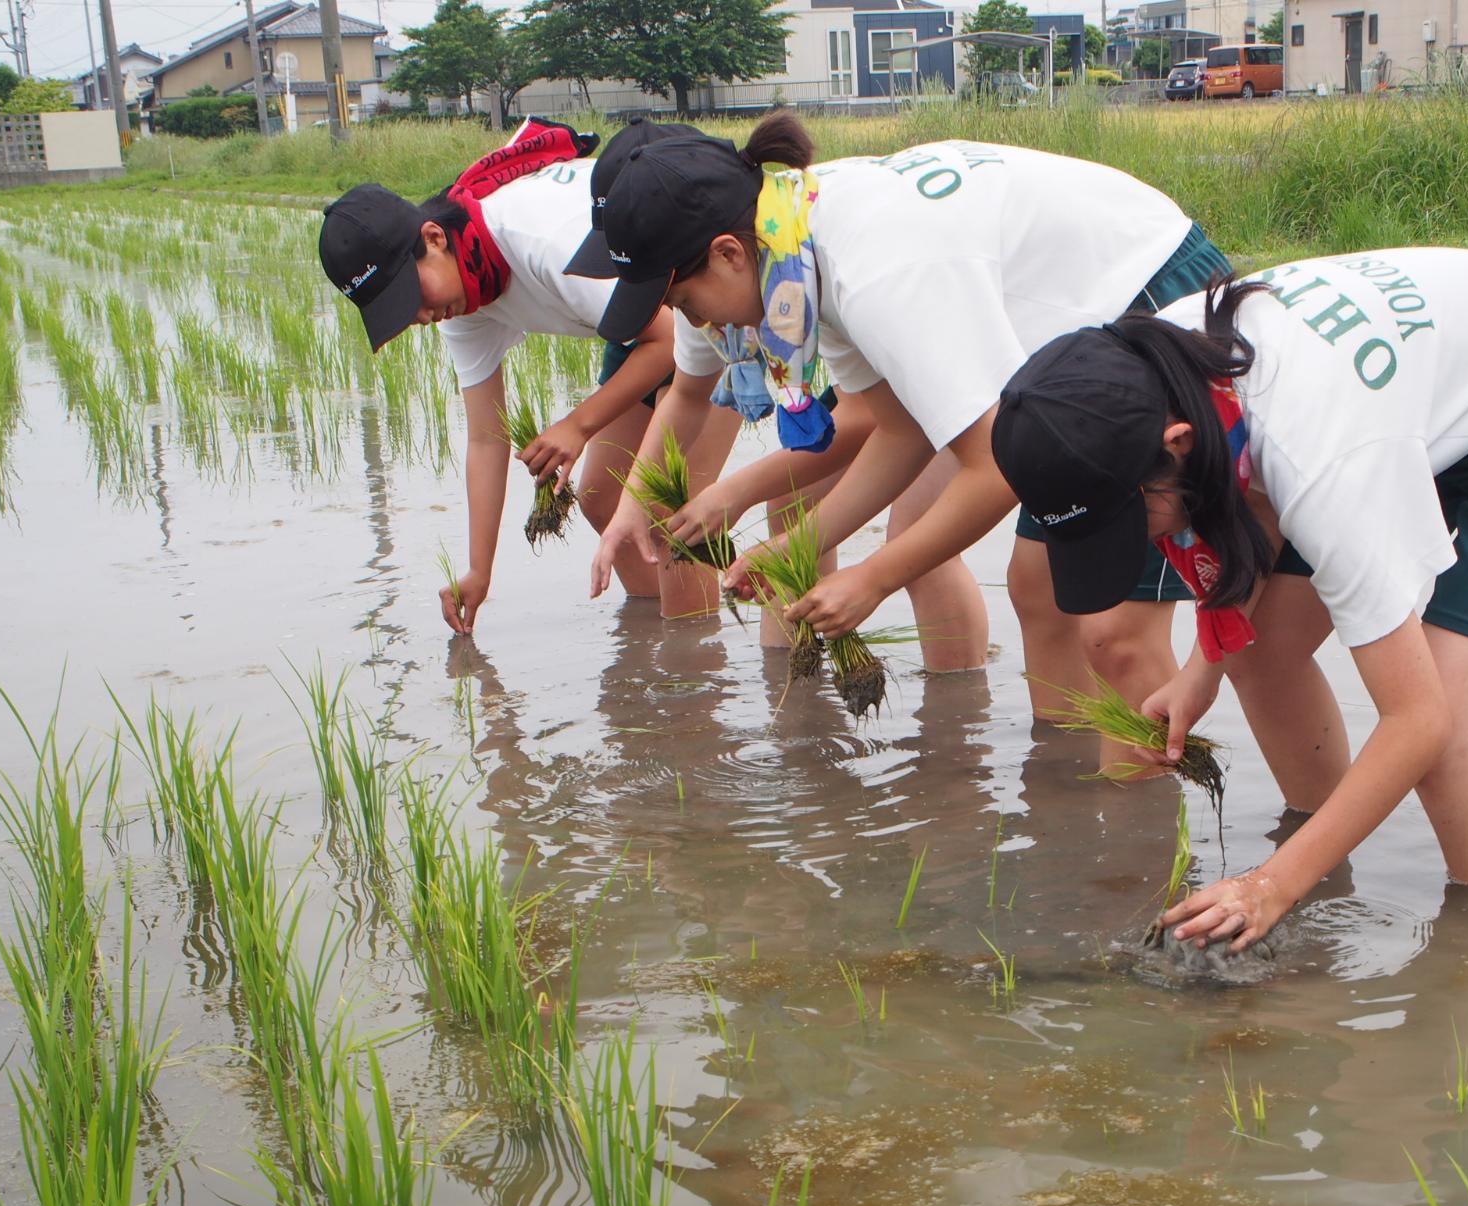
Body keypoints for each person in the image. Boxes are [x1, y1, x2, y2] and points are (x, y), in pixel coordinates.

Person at [990, 249, 1468, 950]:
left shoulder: (1318, 454)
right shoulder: (1156, 368)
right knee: (1261, 656)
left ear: (1177, 444)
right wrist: (1198, 671)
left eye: (1133, 522)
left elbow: (1415, 719)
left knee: (1448, 737)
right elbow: (1256, 499)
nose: (1138, 545)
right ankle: (1326, 869)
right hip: (1398, 406)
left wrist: (1271, 884)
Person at [578, 115, 1232, 748]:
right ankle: (1066, 797)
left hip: (1146, 306)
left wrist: (873, 578)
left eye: (685, 304)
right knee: (1040, 590)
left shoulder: (870, 269)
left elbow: (992, 465)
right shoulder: (797, 247)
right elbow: (898, 428)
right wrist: (799, 545)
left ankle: (1133, 847)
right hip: (1068, 349)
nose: (694, 324)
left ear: (727, 253)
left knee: (1112, 630)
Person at [317, 116, 738, 632]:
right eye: (399, 312)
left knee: (671, 517)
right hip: (640, 329)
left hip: (706, 307)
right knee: (605, 499)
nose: (420, 316)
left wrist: (578, 427)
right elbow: (486, 440)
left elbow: (671, 340)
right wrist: (479, 572)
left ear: (433, 238)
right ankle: (654, 650)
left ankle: (693, 678)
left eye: (412, 296)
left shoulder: (540, 240)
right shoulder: (463, 299)